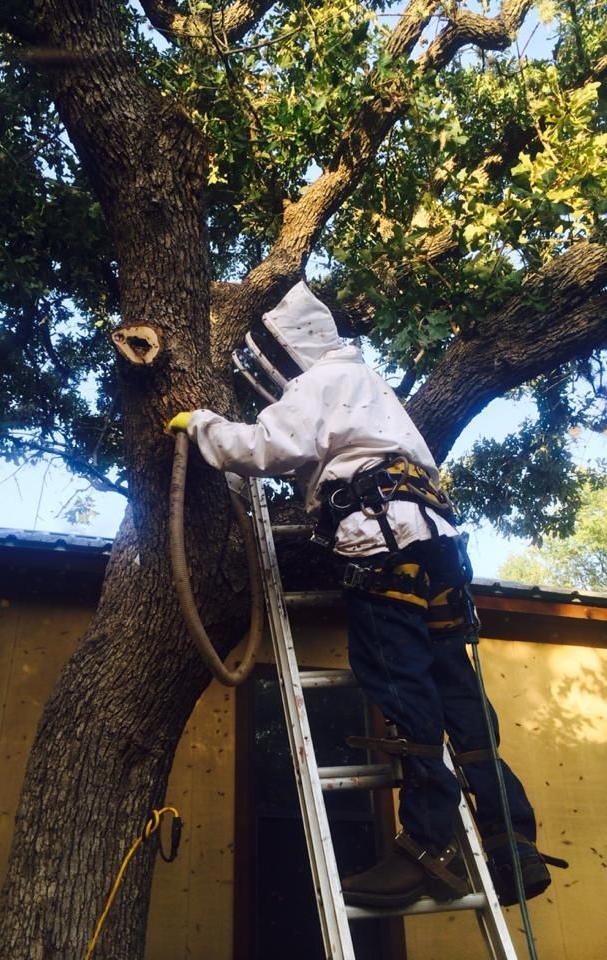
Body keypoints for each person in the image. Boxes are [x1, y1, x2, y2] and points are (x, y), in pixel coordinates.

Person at [168, 280, 556, 909]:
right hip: (437, 546)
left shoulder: (318, 383)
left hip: (380, 543)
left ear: (285, 349)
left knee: (401, 688)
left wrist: (205, 426)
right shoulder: (371, 383)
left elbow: (269, 447)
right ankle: (512, 836)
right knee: (455, 688)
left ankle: (430, 847)